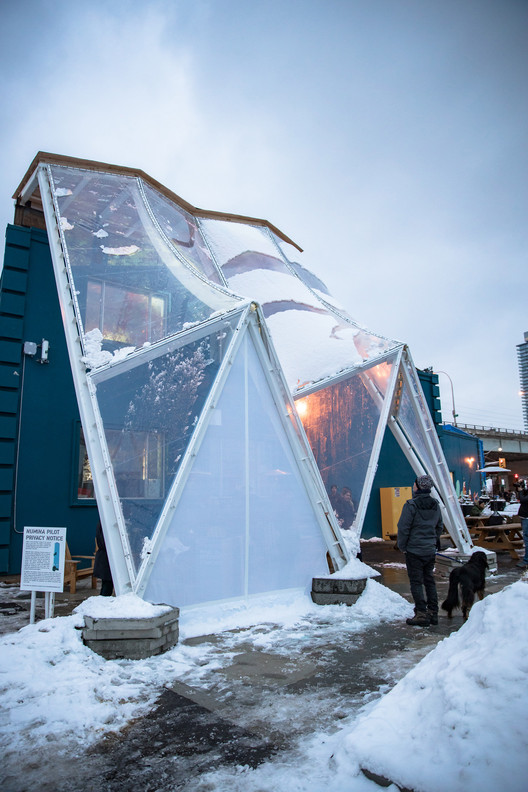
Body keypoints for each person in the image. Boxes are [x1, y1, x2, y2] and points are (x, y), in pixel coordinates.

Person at [397, 474, 444, 627]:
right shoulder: (436, 504)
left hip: (414, 550)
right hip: (429, 550)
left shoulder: (411, 505)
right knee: (429, 580)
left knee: (416, 582)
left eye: (414, 484)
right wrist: (432, 540)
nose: (413, 486)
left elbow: (403, 528)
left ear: (418, 486)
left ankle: (421, 614)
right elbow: (439, 526)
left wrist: (402, 546)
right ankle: (433, 612)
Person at [94, 521, 114, 596]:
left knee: (106, 585)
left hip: (104, 558)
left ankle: (102, 603)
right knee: (107, 587)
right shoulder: (105, 522)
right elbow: (104, 542)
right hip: (106, 559)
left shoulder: (103, 522)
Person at [516, 484, 528, 569]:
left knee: (527, 539)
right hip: (525, 517)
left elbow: (523, 499)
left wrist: (520, 491)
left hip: (527, 518)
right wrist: (521, 488)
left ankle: (526, 560)